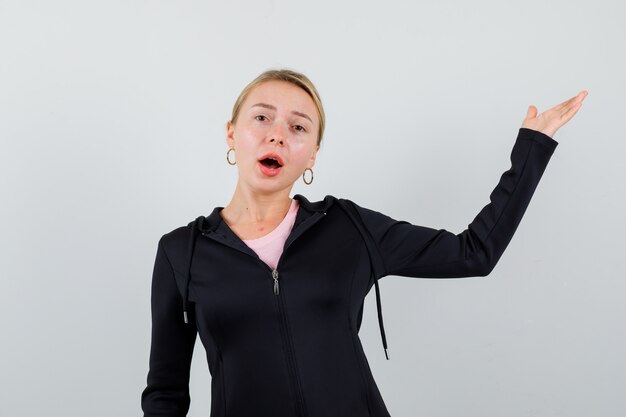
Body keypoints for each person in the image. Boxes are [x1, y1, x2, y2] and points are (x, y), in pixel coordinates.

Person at [141, 69, 588, 417]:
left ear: (312, 154)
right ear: (231, 134)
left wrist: (532, 147)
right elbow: (165, 393)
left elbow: (475, 252)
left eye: (299, 127)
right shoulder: (183, 252)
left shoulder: (348, 228)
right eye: (261, 117)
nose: (277, 133)